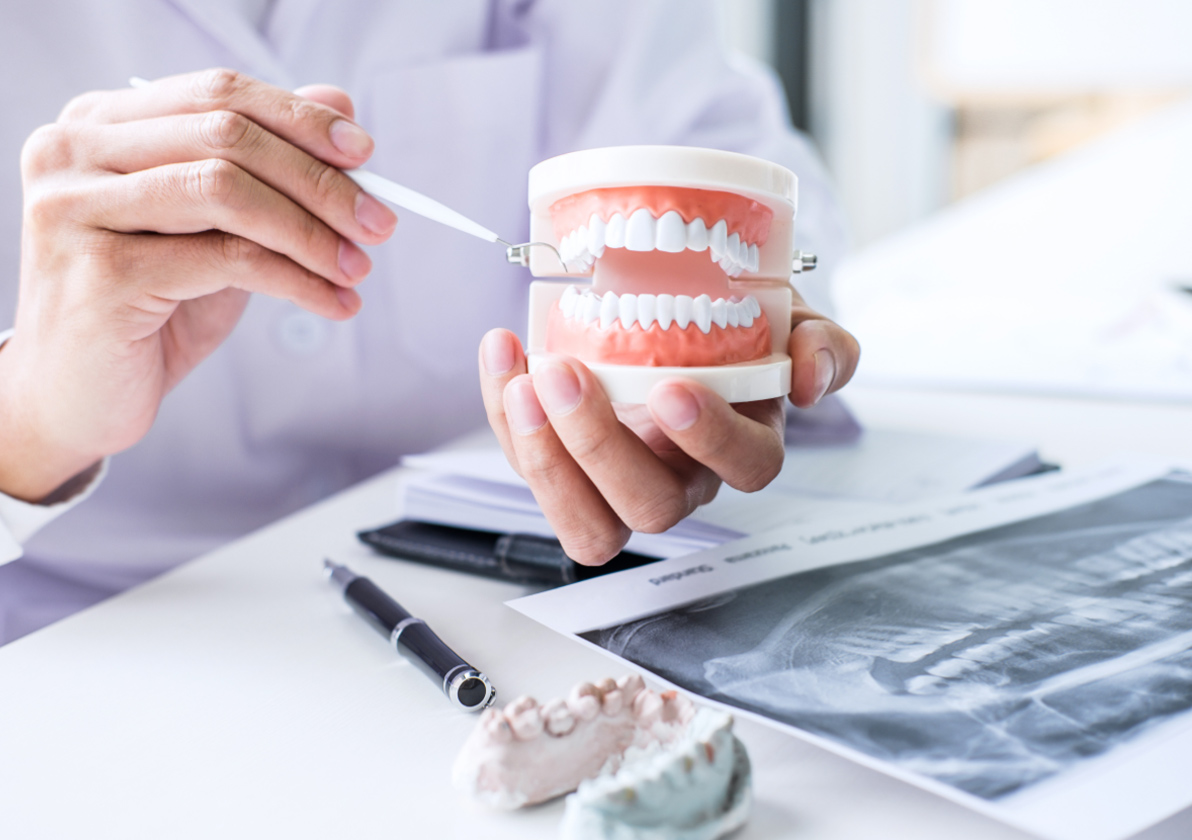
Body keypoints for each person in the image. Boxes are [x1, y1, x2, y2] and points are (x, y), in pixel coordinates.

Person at [0, 0, 857, 644]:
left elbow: (734, 163)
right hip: (85, 641)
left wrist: (736, 348)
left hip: (499, 608)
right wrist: (27, 421)